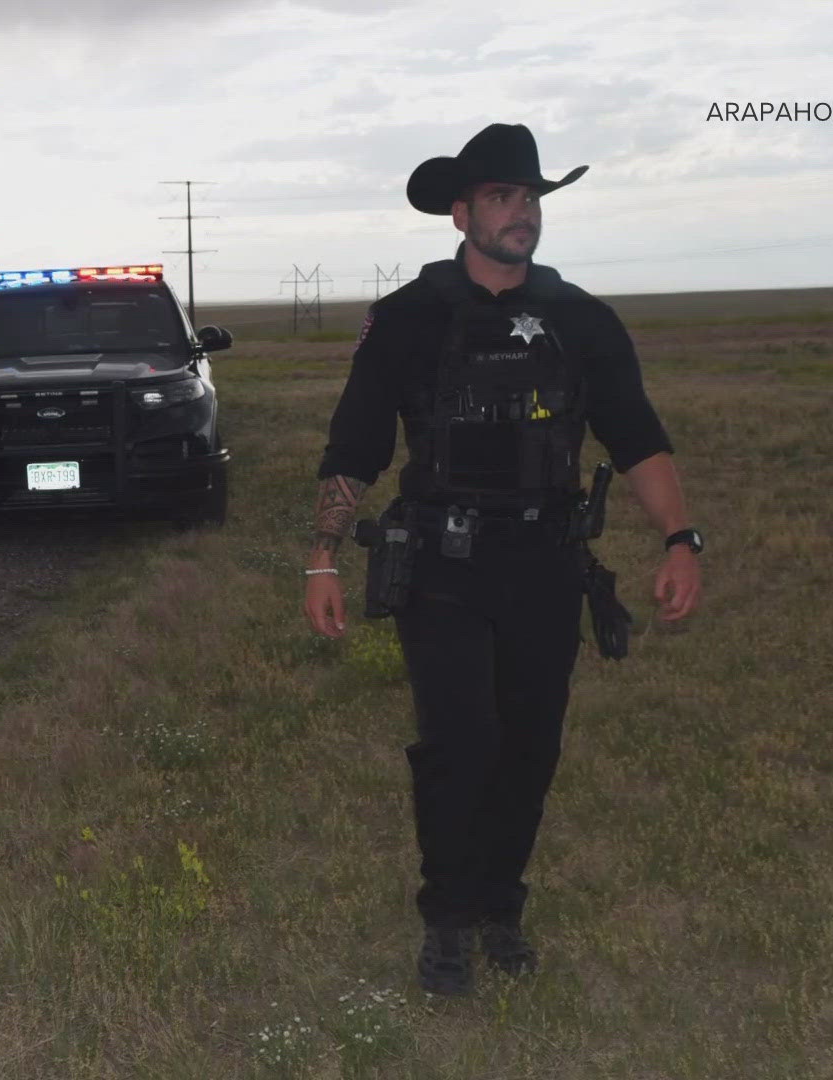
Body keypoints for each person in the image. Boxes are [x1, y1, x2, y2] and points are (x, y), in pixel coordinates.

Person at [300, 123, 702, 997]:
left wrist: (680, 539)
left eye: (530, 198)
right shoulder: (410, 318)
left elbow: (637, 437)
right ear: (461, 214)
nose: (521, 213)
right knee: (461, 741)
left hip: (546, 562)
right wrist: (323, 557)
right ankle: (446, 919)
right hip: (441, 565)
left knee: (529, 745)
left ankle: (498, 910)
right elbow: (357, 442)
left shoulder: (581, 320)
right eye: (500, 198)